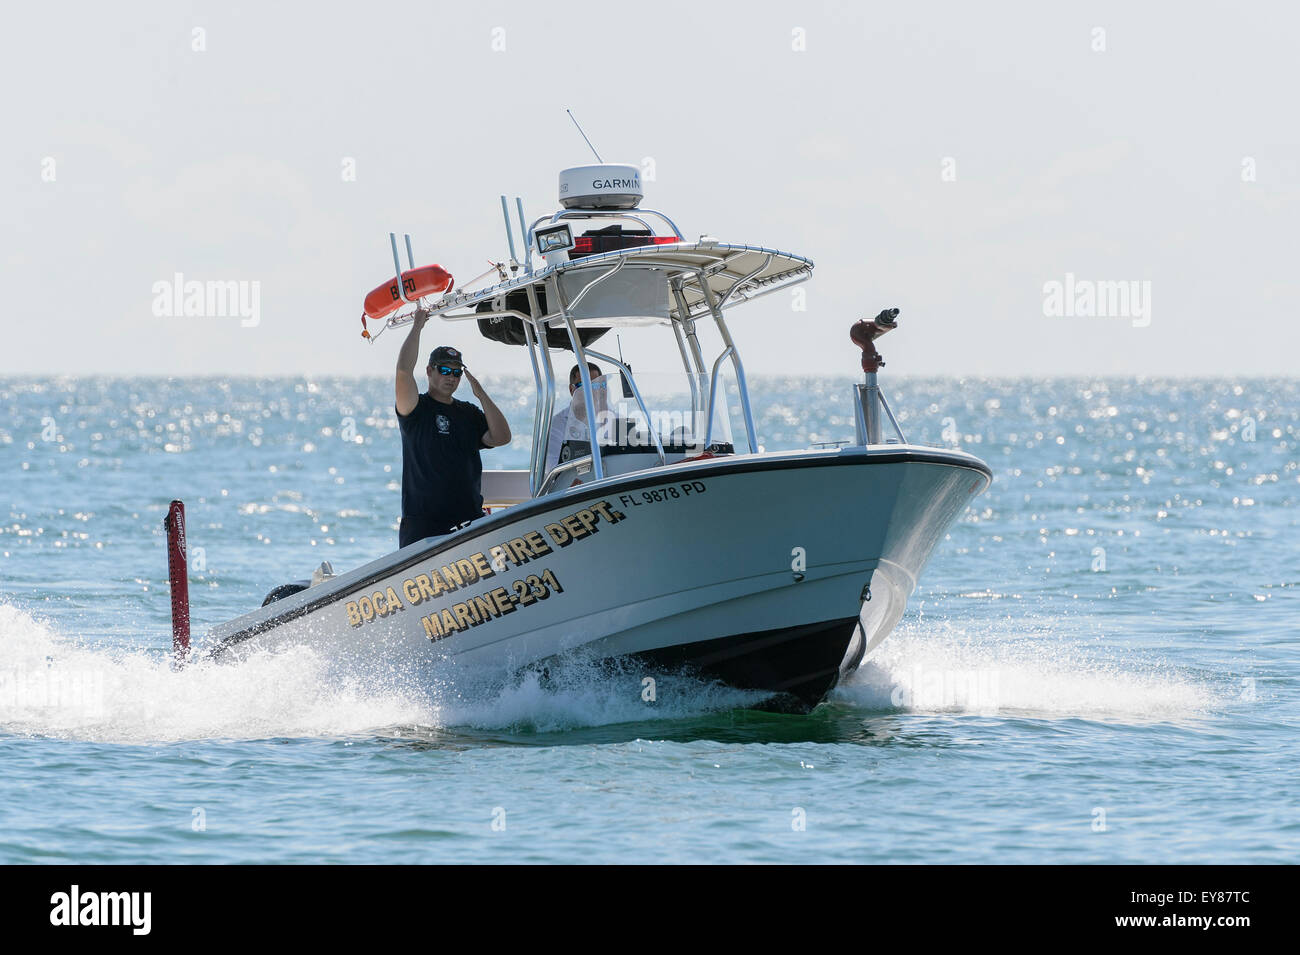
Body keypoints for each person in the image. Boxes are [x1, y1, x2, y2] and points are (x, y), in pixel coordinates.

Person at [394, 306, 511, 548]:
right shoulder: (416, 410)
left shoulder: (468, 412)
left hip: (469, 524)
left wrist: (481, 395)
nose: (451, 377)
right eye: (445, 370)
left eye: (457, 373)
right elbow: (403, 372)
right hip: (424, 528)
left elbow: (501, 437)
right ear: (429, 371)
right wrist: (417, 327)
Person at [544, 361, 603, 477]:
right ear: (571, 390)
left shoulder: (613, 418)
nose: (590, 392)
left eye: (596, 385)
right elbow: (554, 470)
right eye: (583, 386)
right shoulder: (557, 425)